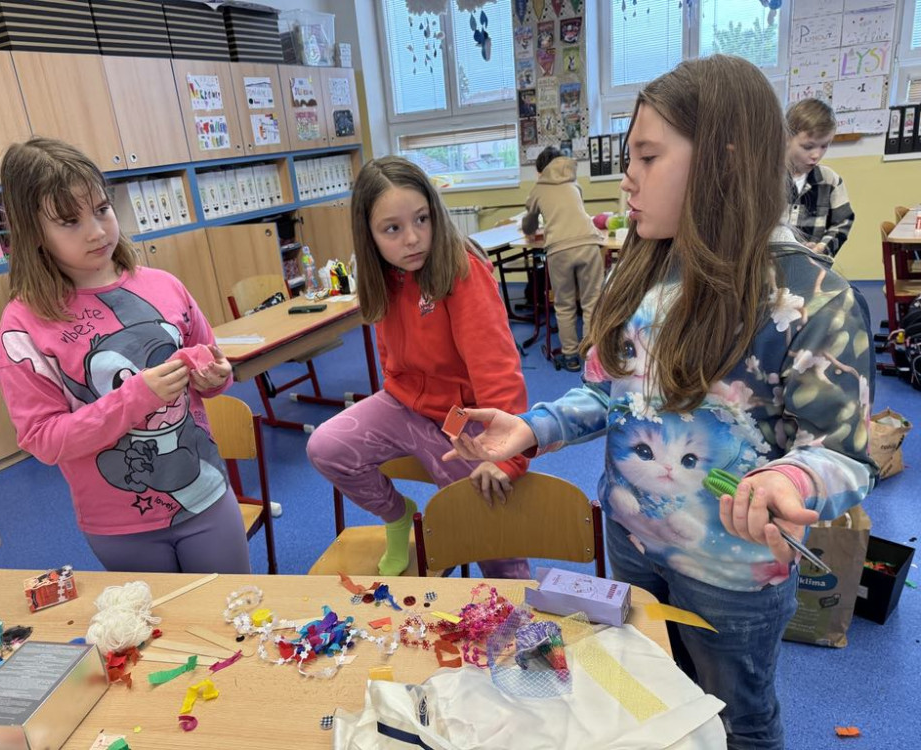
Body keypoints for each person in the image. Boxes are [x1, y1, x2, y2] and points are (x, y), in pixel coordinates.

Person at [444, 56, 875, 750]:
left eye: (647, 157)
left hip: (733, 575)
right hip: (634, 541)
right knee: (651, 697)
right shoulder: (642, 271)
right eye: (629, 158)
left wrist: (792, 479)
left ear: (724, 161)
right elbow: (606, 392)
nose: (628, 178)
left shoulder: (812, 299)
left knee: (740, 718)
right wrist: (531, 428)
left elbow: (845, 455)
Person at [0, 137, 251, 574]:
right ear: (34, 233)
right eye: (69, 221)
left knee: (234, 607)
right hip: (119, 523)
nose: (96, 231)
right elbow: (43, 438)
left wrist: (215, 376)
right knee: (154, 619)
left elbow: (212, 364)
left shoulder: (163, 285)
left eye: (102, 209)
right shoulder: (23, 325)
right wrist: (136, 397)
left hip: (205, 492)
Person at [306, 156, 530, 579]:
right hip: (404, 405)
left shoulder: (461, 271)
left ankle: (514, 598)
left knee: (488, 518)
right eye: (392, 229)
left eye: (422, 219)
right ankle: (399, 516)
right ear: (370, 235)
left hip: (460, 414)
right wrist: (400, 400)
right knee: (325, 447)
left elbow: (497, 371)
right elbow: (390, 356)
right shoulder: (382, 275)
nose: (412, 238)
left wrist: (505, 459)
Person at [522, 146, 607, 372]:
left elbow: (529, 225)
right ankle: (591, 355)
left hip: (559, 249)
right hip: (588, 243)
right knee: (592, 301)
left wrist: (530, 228)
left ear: (541, 170)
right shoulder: (574, 183)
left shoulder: (538, 189)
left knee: (564, 304)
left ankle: (570, 356)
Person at [785, 98, 854, 257]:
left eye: (824, 146)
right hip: (769, 266)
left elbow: (843, 222)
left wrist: (822, 247)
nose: (816, 155)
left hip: (813, 265)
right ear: (787, 138)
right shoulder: (766, 179)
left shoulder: (830, 180)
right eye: (808, 146)